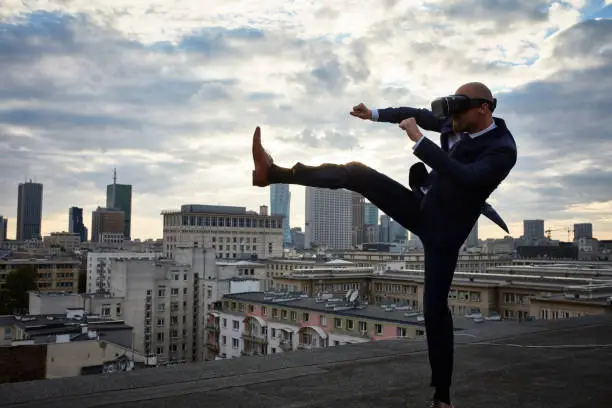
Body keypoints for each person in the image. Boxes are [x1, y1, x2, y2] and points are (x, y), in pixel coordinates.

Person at [250, 82, 517, 408]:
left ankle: (442, 397)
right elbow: (413, 113)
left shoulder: (503, 149)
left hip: (444, 231)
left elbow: (467, 177)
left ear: (484, 109)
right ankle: (272, 173)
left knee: (434, 310)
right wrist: (374, 114)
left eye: (457, 115)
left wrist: (421, 142)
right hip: (420, 206)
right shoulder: (457, 120)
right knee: (356, 173)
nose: (450, 123)